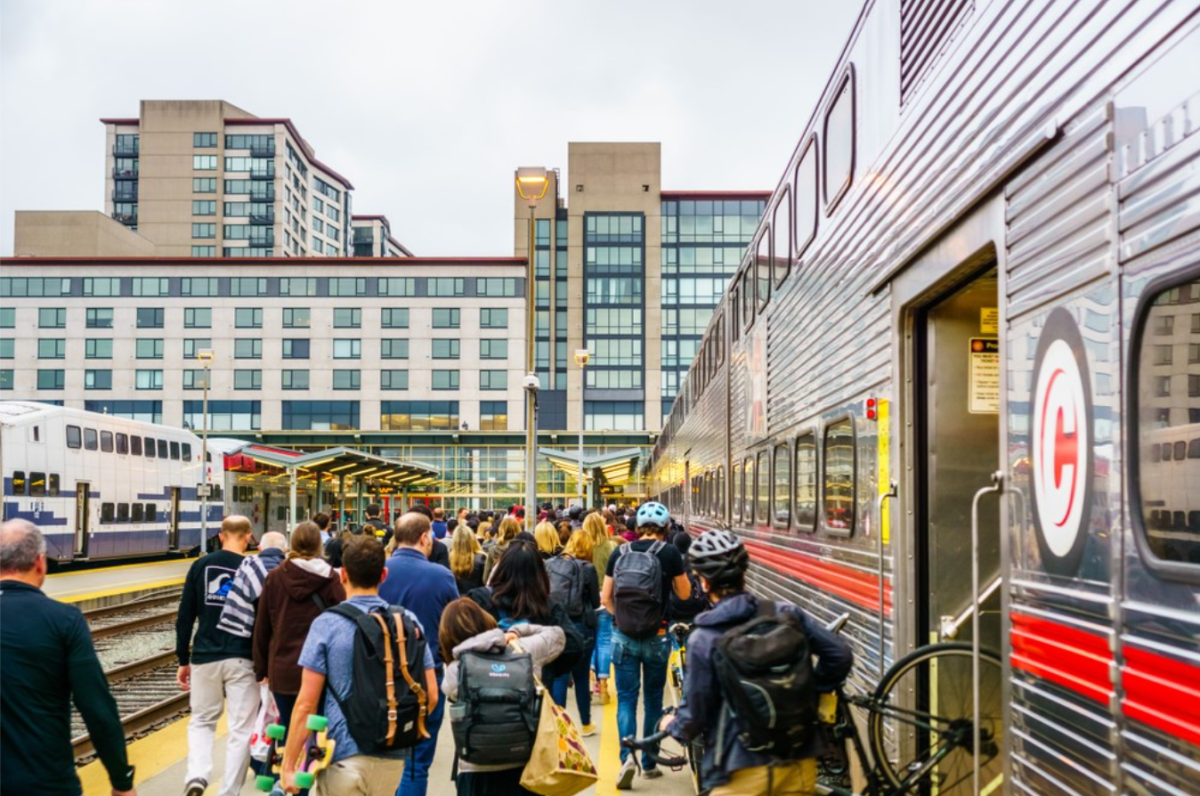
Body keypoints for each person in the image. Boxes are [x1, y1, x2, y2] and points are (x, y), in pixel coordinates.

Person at [663, 530, 853, 796]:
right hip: (797, 762)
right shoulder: (786, 614)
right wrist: (809, 691)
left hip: (739, 771)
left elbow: (694, 716)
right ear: (744, 573)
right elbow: (839, 655)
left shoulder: (704, 638)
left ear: (704, 583)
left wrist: (670, 725)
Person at [280, 536, 438, 796]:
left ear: (343, 574)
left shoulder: (327, 624)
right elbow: (430, 695)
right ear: (384, 575)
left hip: (342, 757)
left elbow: (306, 703)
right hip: (392, 760)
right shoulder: (406, 621)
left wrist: (289, 765)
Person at [0, 519, 137, 796]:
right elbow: (97, 708)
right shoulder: (64, 620)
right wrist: (121, 781)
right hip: (45, 783)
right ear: (40, 563)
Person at [601, 502, 691, 789]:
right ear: (666, 528)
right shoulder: (670, 552)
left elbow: (605, 599)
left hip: (623, 637)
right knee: (653, 699)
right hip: (657, 635)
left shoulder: (619, 552)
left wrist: (623, 619)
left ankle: (627, 757)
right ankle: (650, 763)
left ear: (638, 527)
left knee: (626, 699)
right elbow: (685, 594)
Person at [440, 598, 565, 796]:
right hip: (525, 769)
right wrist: (517, 632)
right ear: (485, 621)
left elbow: (448, 690)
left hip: (476, 773)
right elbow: (557, 635)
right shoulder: (522, 652)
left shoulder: (456, 671)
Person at [176, 515, 260, 796]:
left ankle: (197, 776)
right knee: (241, 728)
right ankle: (228, 792)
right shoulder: (253, 568)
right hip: (242, 657)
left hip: (204, 656)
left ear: (221, 536)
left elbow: (185, 616)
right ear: (248, 537)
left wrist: (182, 659)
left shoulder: (200, 565)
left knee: (202, 720)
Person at [379, 513, 460, 796]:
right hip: (427, 677)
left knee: (380, 760)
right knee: (415, 763)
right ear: (425, 537)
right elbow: (454, 624)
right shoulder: (441, 576)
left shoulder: (378, 571)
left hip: (379, 674)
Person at [252, 521, 345, 734]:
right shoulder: (331, 578)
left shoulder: (275, 576)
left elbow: (262, 626)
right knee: (318, 728)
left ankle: (289, 765)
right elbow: (341, 626)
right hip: (321, 669)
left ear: (292, 544)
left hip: (282, 668)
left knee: (288, 726)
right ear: (319, 547)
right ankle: (313, 765)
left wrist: (261, 669)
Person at [466, 539, 582, 683]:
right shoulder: (548, 607)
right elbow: (573, 647)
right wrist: (546, 669)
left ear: (502, 568)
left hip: (484, 689)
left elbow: (458, 640)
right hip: (530, 693)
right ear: (540, 574)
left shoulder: (479, 599)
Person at [547, 530, 599, 736]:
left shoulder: (551, 564)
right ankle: (586, 723)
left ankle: (560, 727)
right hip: (581, 626)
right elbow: (595, 602)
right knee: (581, 677)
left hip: (556, 625)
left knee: (559, 676)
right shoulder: (588, 568)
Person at [217, 530, 287, 640]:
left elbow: (237, 605)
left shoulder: (248, 570)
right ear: (285, 550)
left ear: (259, 548)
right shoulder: (292, 571)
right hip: (282, 638)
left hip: (252, 637)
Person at [585, 512, 618, 705]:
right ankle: (604, 685)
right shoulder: (611, 546)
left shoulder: (581, 545)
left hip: (586, 601)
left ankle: (590, 675)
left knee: (589, 640)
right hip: (605, 598)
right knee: (604, 641)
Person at [482, 516, 521, 583]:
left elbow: (485, 578)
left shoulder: (492, 550)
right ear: (518, 528)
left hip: (497, 589)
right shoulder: (523, 549)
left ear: (501, 529)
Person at [449, 524, 486, 595]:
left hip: (456, 600)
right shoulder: (482, 558)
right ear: (473, 539)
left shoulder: (449, 559)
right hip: (478, 600)